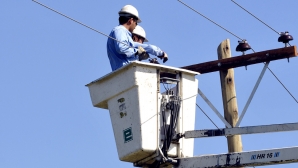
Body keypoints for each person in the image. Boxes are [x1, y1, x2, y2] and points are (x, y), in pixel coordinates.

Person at [107, 5, 168, 71]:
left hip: (127, 70)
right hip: (124, 71)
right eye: (136, 23)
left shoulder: (125, 34)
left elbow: (145, 47)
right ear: (131, 20)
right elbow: (122, 48)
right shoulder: (119, 30)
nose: (136, 26)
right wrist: (137, 52)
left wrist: (160, 53)